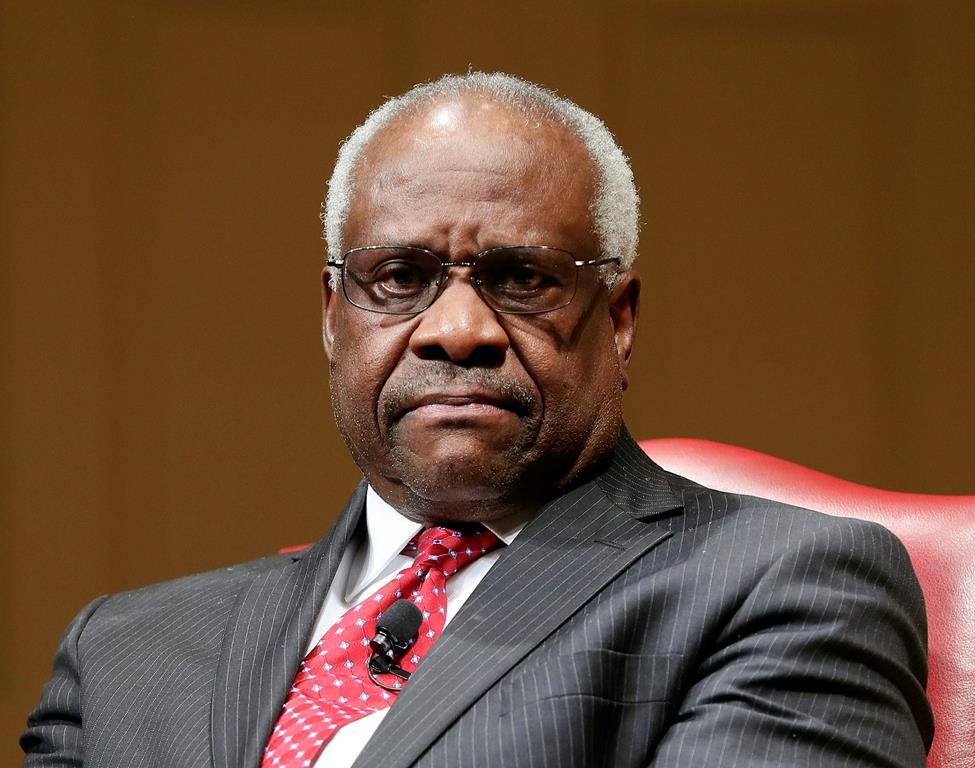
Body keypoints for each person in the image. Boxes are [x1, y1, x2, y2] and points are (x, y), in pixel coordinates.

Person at [22, 72, 933, 768]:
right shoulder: (124, 651)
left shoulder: (781, 587)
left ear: (617, 321)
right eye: (398, 279)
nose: (457, 332)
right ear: (334, 318)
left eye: (523, 279)